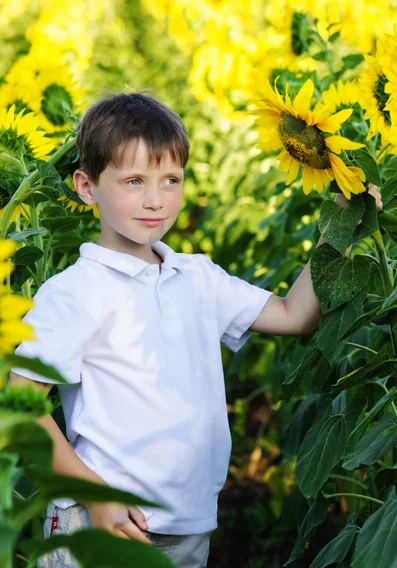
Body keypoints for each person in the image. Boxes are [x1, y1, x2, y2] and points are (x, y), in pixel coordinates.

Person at [8, 92, 383, 568]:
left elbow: (294, 314)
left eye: (171, 180)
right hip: (102, 523)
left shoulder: (198, 278)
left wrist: (342, 220)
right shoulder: (75, 292)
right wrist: (95, 497)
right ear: (86, 187)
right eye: (134, 181)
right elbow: (20, 410)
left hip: (188, 524)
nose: (155, 200)